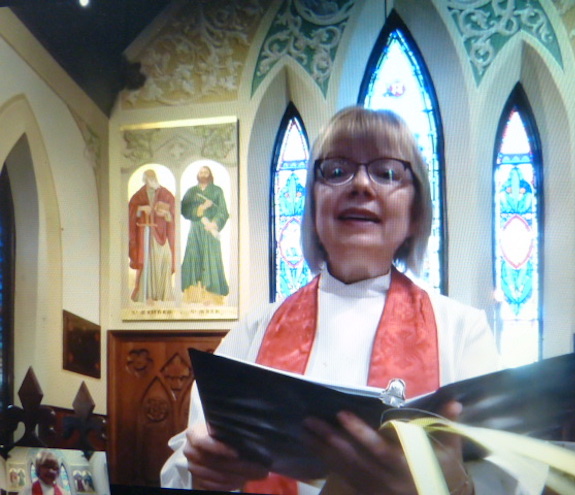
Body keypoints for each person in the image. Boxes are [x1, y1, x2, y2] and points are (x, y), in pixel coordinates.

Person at [161, 107, 525, 494]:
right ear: (313, 206)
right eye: (336, 171)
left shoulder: (461, 332)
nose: (361, 186)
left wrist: (449, 487)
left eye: (387, 172)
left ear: (415, 213)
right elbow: (179, 471)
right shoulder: (252, 332)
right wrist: (202, 471)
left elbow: (509, 473)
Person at [180, 165, 230, 305]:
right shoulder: (191, 192)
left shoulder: (217, 191)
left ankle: (211, 296)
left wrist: (215, 223)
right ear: (198, 175)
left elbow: (223, 211)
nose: (203, 174)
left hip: (210, 230)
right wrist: (201, 208)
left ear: (210, 174)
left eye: (206, 172)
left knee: (211, 259)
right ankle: (194, 296)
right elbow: (184, 209)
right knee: (193, 257)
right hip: (196, 229)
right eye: (201, 172)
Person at [128, 168, 176, 303]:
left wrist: (165, 214)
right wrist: (141, 209)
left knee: (165, 258)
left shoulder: (165, 194)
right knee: (148, 262)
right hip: (145, 235)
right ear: (145, 180)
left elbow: (172, 213)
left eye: (153, 178)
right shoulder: (139, 196)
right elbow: (131, 212)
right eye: (148, 179)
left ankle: (163, 294)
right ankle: (147, 295)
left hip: (161, 234)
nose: (151, 181)